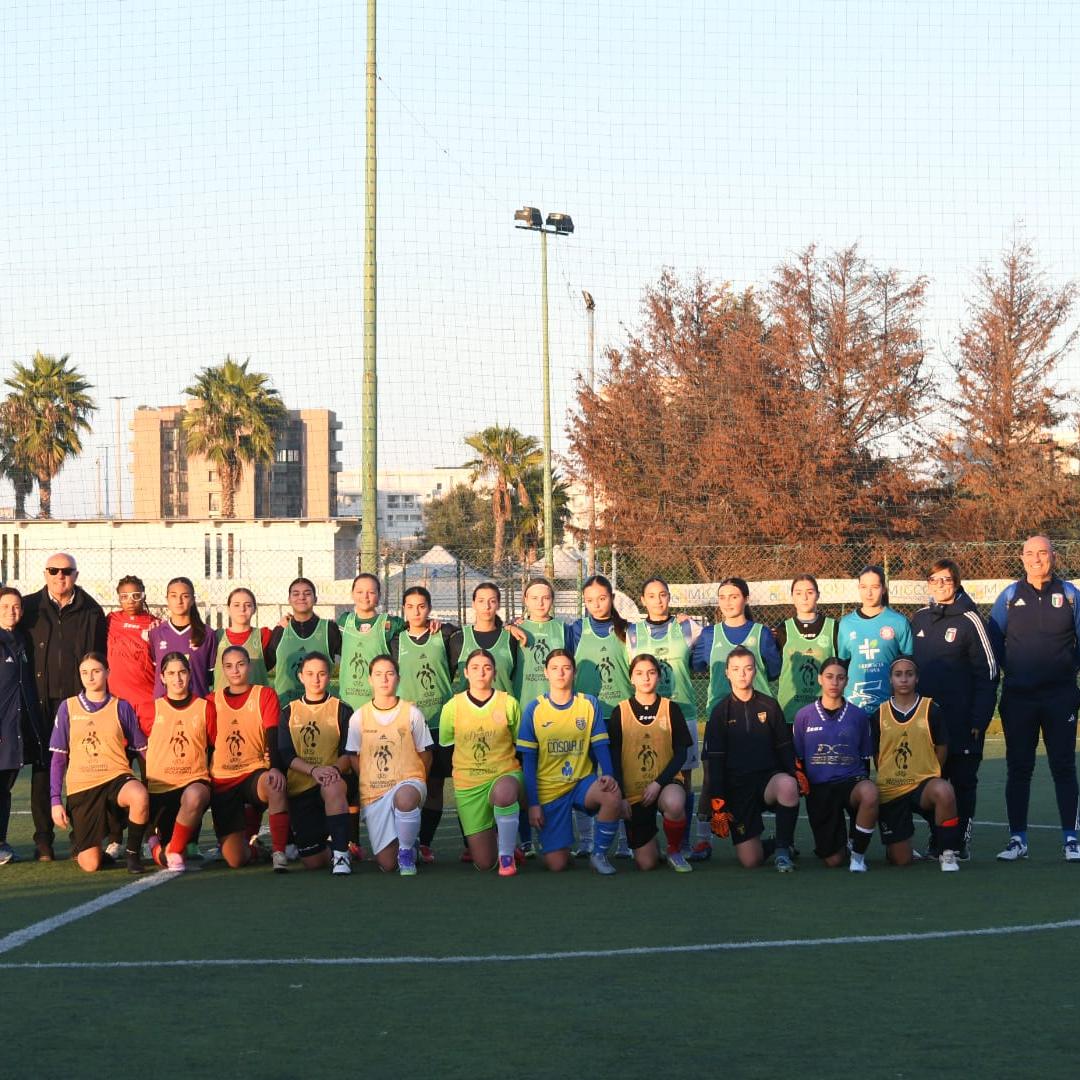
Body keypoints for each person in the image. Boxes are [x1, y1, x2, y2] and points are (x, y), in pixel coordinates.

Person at [988, 535, 1080, 862]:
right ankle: (1018, 840)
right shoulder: (1010, 596)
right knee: (1019, 768)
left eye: (1042, 552)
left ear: (1053, 556)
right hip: (1019, 698)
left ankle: (1071, 839)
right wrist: (1010, 672)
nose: (1036, 558)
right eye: (1030, 553)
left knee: (1064, 766)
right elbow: (994, 641)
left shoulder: (1070, 595)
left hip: (1060, 696)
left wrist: (1067, 670)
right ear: (1022, 558)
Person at [20, 552, 107, 860]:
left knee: (81, 771)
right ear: (45, 574)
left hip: (77, 705)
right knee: (43, 770)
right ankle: (43, 839)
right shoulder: (28, 609)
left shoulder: (92, 611)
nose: (61, 576)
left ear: (76, 574)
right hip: (40, 704)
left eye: (67, 571)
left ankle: (79, 836)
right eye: (54, 570)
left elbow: (100, 658)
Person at [910, 558, 997, 859]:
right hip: (926, 726)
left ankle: (959, 844)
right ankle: (938, 841)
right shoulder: (919, 619)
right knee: (930, 784)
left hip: (962, 722)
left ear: (957, 583)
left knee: (961, 783)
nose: (940, 585)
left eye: (946, 580)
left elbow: (988, 674)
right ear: (928, 584)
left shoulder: (971, 620)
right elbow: (909, 671)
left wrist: (980, 719)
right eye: (934, 580)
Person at [516, 650, 623, 875]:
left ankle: (599, 854)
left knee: (612, 795)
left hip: (582, 782)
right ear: (546, 673)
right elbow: (528, 761)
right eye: (554, 668)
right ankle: (560, 846)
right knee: (557, 865)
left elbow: (601, 745)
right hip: (550, 789)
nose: (561, 673)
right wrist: (533, 803)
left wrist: (609, 776)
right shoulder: (534, 709)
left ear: (574, 672)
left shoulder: (589, 704)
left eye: (566, 668)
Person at [48, 652, 149, 873]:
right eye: (84, 672)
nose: (90, 677)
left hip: (115, 778)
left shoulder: (121, 707)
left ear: (107, 673)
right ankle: (86, 844)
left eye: (96, 671)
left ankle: (133, 854)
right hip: (83, 787)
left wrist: (156, 781)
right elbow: (58, 757)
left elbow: (142, 750)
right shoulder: (68, 707)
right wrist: (55, 800)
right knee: (91, 864)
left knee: (139, 795)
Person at [626, 577, 705, 858]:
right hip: (646, 716)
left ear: (669, 597)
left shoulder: (688, 627)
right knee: (638, 772)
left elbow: (708, 647)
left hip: (683, 712)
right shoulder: (633, 633)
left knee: (684, 779)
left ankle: (681, 842)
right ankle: (638, 837)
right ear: (643, 600)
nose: (658, 600)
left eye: (663, 595)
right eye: (651, 595)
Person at [703, 646, 799, 872]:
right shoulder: (719, 713)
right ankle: (776, 844)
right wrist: (717, 802)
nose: (742, 674)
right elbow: (714, 762)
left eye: (747, 668)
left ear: (755, 671)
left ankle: (784, 852)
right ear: (727, 673)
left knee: (788, 785)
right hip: (737, 789)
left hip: (767, 781)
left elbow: (784, 746)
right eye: (736, 669)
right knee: (750, 861)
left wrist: (796, 775)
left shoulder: (769, 705)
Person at [870, 656, 962, 871]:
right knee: (901, 861)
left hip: (922, 785)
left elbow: (942, 747)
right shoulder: (879, 714)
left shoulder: (931, 709)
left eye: (909, 674)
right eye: (898, 674)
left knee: (944, 790)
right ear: (891, 680)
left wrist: (931, 771)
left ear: (917, 678)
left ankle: (947, 853)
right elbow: (876, 753)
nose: (904, 679)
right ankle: (896, 846)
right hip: (892, 788)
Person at [390, 586, 460, 863]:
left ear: (429, 608)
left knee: (435, 786)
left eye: (421, 606)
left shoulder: (443, 634)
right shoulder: (396, 641)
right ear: (403, 609)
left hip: (441, 723)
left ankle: (426, 842)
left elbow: (458, 643)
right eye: (410, 606)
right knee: (408, 784)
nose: (416, 611)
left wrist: (447, 625)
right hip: (409, 726)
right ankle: (405, 839)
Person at [345, 655, 432, 876]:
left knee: (404, 798)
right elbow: (354, 756)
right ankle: (410, 842)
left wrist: (416, 784)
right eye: (378, 674)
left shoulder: (412, 713)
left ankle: (406, 851)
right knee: (387, 864)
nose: (384, 679)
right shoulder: (358, 717)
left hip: (407, 783)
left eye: (390, 674)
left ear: (398, 678)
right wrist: (369, 777)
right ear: (370, 680)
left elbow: (425, 754)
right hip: (375, 792)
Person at [439, 649, 524, 876]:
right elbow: (446, 748)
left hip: (503, 774)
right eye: (475, 668)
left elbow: (522, 747)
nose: (481, 673)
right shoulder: (452, 707)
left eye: (487, 668)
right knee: (484, 863)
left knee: (505, 795)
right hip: (469, 786)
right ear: (465, 673)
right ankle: (502, 840)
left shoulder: (509, 703)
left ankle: (506, 856)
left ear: (495, 673)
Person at [565, 574, 632, 856]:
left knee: (623, 776)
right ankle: (587, 840)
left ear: (612, 598)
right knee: (585, 776)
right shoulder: (576, 630)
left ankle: (628, 843)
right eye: (590, 600)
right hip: (587, 715)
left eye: (602, 598)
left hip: (622, 715)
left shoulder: (628, 630)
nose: (596, 604)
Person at [608, 654, 694, 872]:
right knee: (647, 864)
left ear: (658, 677)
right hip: (635, 793)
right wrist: (622, 796)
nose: (645, 678)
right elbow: (614, 756)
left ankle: (674, 851)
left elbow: (681, 754)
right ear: (631, 679)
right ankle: (653, 845)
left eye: (651, 672)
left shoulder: (671, 709)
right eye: (639, 673)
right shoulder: (620, 711)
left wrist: (658, 783)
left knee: (675, 802)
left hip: (664, 784)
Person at [792, 657, 878, 871]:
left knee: (869, 793)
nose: (834, 682)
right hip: (820, 789)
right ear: (820, 679)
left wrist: (863, 782)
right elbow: (798, 759)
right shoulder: (803, 716)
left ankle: (858, 856)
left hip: (850, 783)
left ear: (846, 681)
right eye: (829, 677)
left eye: (840, 678)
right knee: (833, 861)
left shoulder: (858, 716)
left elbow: (865, 758)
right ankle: (839, 843)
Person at [208, 645, 289, 870]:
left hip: (254, 772)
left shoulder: (264, 694)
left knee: (275, 783)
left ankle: (279, 852)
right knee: (235, 859)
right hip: (223, 780)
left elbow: (273, 733)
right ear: (222, 670)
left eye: (240, 664)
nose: (235, 671)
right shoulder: (211, 701)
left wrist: (274, 767)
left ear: (249, 666)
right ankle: (255, 848)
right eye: (229, 666)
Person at [279, 653, 354, 875]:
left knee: (333, 786)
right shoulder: (289, 711)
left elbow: (348, 753)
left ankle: (342, 855)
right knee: (312, 862)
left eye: (321, 674)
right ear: (301, 677)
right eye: (310, 674)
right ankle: (332, 847)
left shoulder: (342, 709)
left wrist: (332, 770)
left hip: (331, 781)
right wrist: (314, 770)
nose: (316, 679)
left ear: (329, 676)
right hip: (301, 788)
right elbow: (285, 754)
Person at [142, 652, 212, 873]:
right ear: (162, 678)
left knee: (195, 795)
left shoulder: (205, 707)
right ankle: (155, 845)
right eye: (171, 673)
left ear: (190, 675)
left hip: (193, 782)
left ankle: (172, 851)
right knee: (167, 849)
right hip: (161, 790)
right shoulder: (148, 710)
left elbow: (214, 744)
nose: (177, 678)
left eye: (182, 672)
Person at [0, 588, 48, 865]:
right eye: (5, 606)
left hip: (15, 729)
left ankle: (2, 841)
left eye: (16, 606)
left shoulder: (21, 640)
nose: (11, 611)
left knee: (4, 788)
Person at [693, 576, 781, 718]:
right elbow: (697, 666)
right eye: (722, 597)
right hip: (720, 713)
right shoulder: (709, 634)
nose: (727, 603)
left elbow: (774, 672)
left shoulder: (762, 633)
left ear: (746, 599)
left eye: (733, 597)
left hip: (758, 713)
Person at [837, 565, 913, 711]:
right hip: (854, 704)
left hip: (889, 705)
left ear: (883, 589)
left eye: (875, 587)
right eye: (864, 587)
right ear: (858, 588)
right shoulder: (846, 624)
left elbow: (908, 665)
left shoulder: (899, 622)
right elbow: (842, 664)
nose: (869, 593)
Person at [270, 577, 343, 709]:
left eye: (307, 593)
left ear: (315, 599)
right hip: (285, 707)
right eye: (296, 594)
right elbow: (263, 664)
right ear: (289, 599)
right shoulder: (280, 630)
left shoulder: (329, 629)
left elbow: (351, 655)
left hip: (320, 708)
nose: (301, 597)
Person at [775, 575, 838, 725]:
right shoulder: (782, 629)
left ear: (818, 595)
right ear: (792, 597)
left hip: (825, 710)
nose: (804, 597)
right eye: (798, 593)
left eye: (809, 592)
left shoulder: (833, 627)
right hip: (790, 712)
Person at [337, 573, 403, 710]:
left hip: (379, 704)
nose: (365, 596)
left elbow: (416, 629)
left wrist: (431, 623)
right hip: (348, 703)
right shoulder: (344, 621)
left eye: (371, 592)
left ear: (379, 595)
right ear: (352, 594)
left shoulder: (391, 623)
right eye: (360, 591)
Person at [149, 577, 217, 700]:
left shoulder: (207, 634)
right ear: (167, 600)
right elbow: (155, 671)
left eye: (185, 596)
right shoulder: (155, 632)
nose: (179, 601)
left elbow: (210, 677)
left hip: (197, 704)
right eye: (173, 596)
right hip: (164, 705)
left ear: (192, 600)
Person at [452, 582, 523, 695]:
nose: (487, 606)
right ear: (473, 604)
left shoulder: (511, 638)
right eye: (481, 601)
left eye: (492, 601)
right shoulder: (459, 639)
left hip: (502, 709)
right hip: (468, 711)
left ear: (498, 605)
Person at [106, 575, 159, 725]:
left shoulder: (155, 624)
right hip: (116, 698)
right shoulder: (110, 620)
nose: (130, 601)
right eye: (124, 596)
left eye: (136, 596)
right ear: (119, 599)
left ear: (144, 596)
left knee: (149, 746)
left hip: (146, 699)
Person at [513, 578, 569, 704]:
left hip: (556, 703)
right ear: (525, 600)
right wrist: (508, 625)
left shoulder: (563, 629)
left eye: (546, 598)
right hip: (523, 701)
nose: (540, 603)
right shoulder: (516, 630)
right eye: (534, 598)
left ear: (552, 600)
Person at [213, 587, 271, 688]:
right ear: (228, 609)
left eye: (248, 605)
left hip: (255, 702)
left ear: (254, 609)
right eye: (236, 605)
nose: (242, 609)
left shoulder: (263, 635)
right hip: (222, 702)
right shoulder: (216, 636)